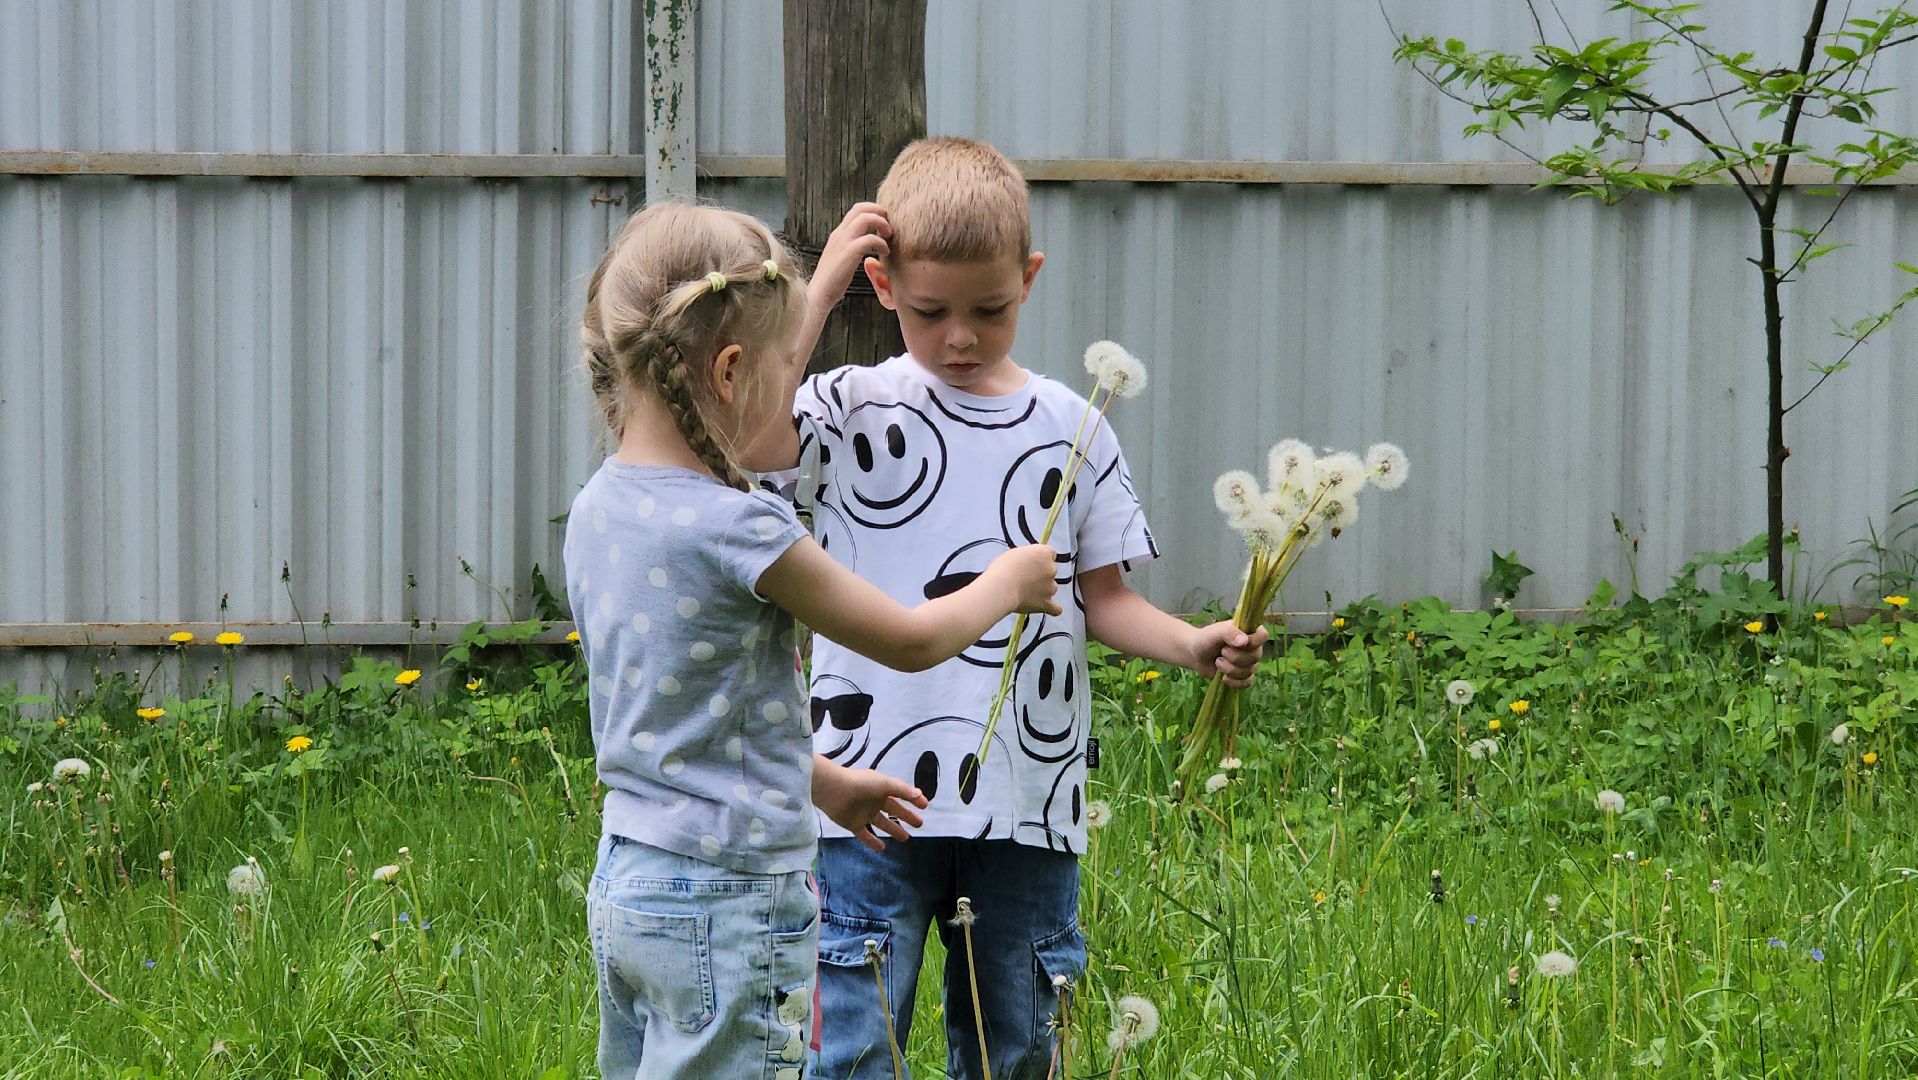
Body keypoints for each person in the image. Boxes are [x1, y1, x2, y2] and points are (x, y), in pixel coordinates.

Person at [767, 138, 1269, 1079]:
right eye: (931, 312)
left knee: (1019, 1049)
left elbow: (1102, 597)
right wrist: (817, 292)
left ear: (1029, 280)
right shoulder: (844, 406)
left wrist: (1190, 645)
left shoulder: (1073, 427)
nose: (959, 336)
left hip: (1026, 801)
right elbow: (750, 437)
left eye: (989, 310)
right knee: (852, 1048)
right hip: (863, 794)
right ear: (882, 285)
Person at [566, 200, 1061, 1077]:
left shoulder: (601, 506)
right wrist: (1007, 584)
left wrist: (825, 785)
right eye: (779, 367)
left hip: (629, 884)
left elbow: (697, 719)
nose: (789, 393)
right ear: (730, 371)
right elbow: (909, 641)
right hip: (731, 902)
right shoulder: (741, 530)